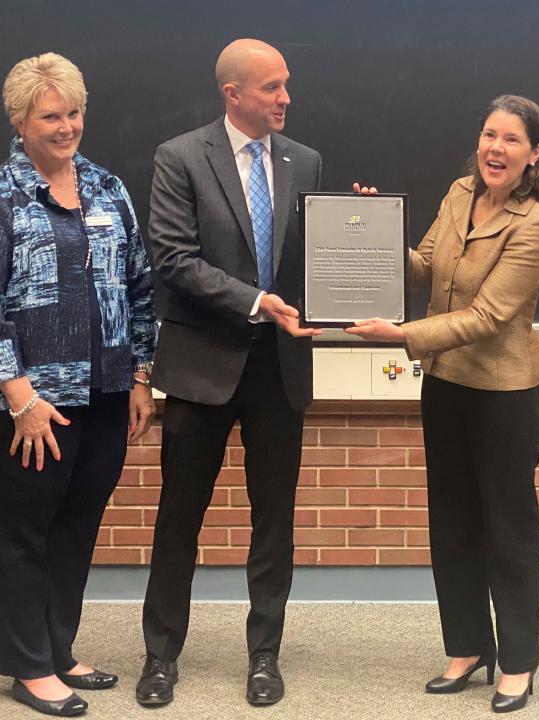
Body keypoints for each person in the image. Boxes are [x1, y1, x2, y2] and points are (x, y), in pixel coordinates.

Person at [347, 95, 539, 713]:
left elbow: (489, 315)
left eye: (510, 140)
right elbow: (422, 268)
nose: (494, 148)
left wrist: (402, 338)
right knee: (451, 522)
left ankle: (518, 662)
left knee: (509, 530)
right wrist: (373, 233)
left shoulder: (537, 224)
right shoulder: (456, 194)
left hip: (504, 393)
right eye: (487, 134)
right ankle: (469, 647)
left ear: (535, 154)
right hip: (445, 383)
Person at [0, 52, 156, 717]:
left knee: (74, 526)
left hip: (100, 394)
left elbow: (139, 287)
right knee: (21, 530)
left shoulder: (107, 188)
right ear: (19, 121)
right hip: (19, 405)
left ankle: (57, 648)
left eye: (74, 113)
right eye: (50, 116)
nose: (66, 127)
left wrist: (140, 375)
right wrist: (21, 398)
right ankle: (28, 667)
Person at [137, 39, 322, 708]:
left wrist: (359, 229)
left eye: (286, 86)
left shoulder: (306, 161)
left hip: (279, 370)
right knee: (178, 518)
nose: (285, 99)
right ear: (233, 93)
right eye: (272, 87)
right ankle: (160, 658)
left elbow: (310, 265)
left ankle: (265, 657)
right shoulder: (180, 158)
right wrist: (254, 301)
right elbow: (173, 260)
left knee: (275, 522)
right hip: (200, 368)